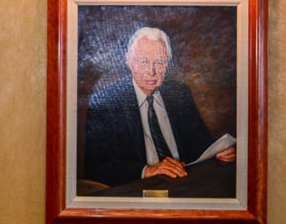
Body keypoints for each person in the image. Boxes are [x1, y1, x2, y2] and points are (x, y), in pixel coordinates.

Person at [84, 26, 236, 187]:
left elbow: (201, 143)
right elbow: (95, 167)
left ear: (167, 63)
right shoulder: (105, 101)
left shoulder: (180, 93)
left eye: (159, 62)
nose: (152, 71)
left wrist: (218, 153)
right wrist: (147, 170)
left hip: (184, 181)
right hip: (138, 188)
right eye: (144, 61)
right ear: (129, 61)